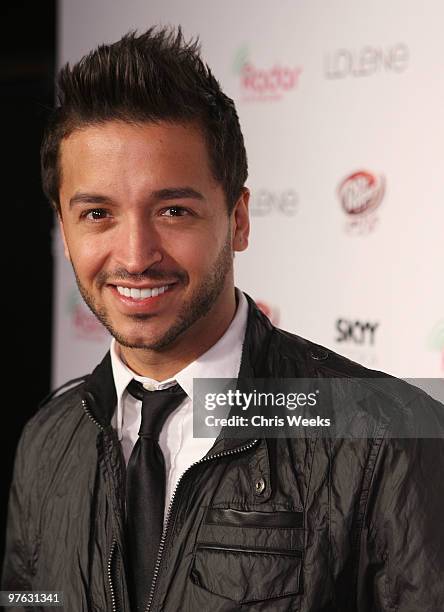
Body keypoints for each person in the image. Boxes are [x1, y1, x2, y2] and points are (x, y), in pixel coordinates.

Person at [2, 26, 443, 612]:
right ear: (64, 229)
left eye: (173, 210)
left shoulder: (389, 438)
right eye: (98, 213)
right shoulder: (44, 442)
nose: (135, 256)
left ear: (238, 219)